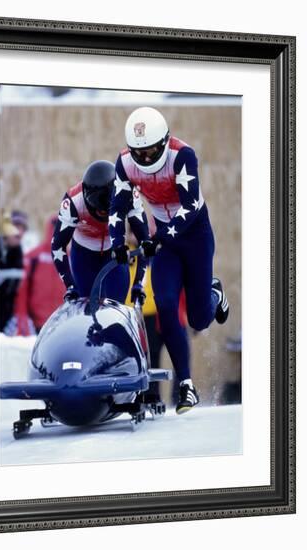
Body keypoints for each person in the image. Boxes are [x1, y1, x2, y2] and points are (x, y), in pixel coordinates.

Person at [109, 106, 229, 414]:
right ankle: (187, 385)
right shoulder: (124, 163)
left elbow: (189, 206)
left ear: (164, 142)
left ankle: (214, 292)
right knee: (163, 302)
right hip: (167, 240)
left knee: (200, 318)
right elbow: (117, 206)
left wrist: (163, 234)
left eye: (151, 151)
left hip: (195, 235)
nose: (146, 159)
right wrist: (116, 242)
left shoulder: (182, 155)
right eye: (140, 152)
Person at [51, 160, 148, 303]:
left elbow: (145, 241)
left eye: (108, 212)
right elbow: (57, 245)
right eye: (100, 211)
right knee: (87, 310)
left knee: (115, 310)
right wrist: (70, 285)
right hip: (84, 255)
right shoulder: (73, 202)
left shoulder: (129, 195)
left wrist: (139, 282)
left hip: (114, 251)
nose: (104, 215)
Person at [14, 216, 66, 335]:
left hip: (61, 325)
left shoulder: (72, 259)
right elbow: (21, 292)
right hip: (35, 325)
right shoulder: (33, 257)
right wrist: (22, 318)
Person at [0, 219, 24, 333]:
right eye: (17, 236)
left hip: (6, 306)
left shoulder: (17, 249)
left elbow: (19, 276)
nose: (19, 238)